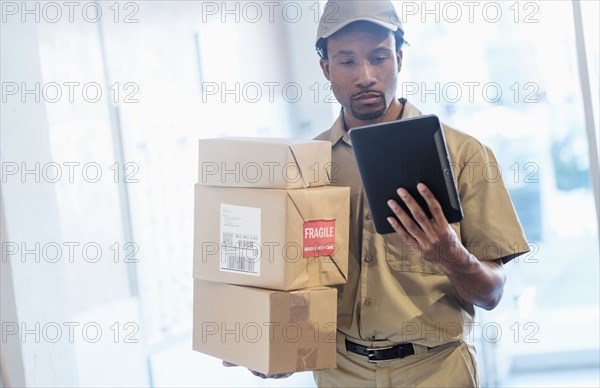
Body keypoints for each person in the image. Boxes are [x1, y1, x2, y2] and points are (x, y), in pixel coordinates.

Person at [227, 1, 529, 386]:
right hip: (340, 371)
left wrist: (450, 255)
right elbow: (294, 282)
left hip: (436, 370)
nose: (366, 76)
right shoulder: (304, 165)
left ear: (399, 59)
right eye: (348, 61)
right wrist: (277, 349)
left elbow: (492, 295)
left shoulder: (464, 155)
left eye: (379, 57)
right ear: (326, 69)